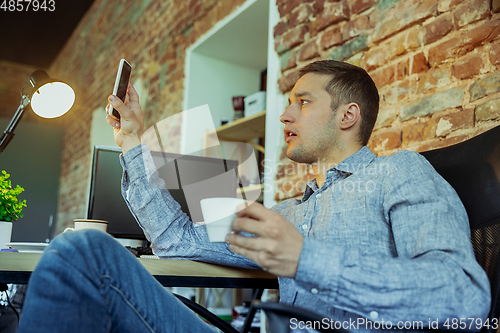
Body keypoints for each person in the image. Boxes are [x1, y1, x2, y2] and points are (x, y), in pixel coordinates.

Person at [18, 60, 490, 332]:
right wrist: (133, 144)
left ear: (348, 116)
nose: (285, 115)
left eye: (303, 102)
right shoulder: (291, 211)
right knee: (84, 254)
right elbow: (179, 240)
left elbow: (463, 296)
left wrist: (306, 258)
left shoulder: (399, 172)